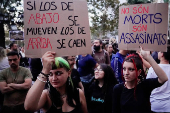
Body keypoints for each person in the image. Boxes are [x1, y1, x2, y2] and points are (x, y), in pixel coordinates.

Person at [112, 47, 168, 113]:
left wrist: (148, 57)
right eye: (124, 69)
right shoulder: (118, 89)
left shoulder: (145, 85)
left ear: (139, 72)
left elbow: (163, 78)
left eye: (131, 69)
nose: (126, 73)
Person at [147, 47, 170, 112]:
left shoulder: (152, 69)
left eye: (159, 51)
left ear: (162, 54)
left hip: (155, 104)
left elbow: (148, 86)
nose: (157, 53)